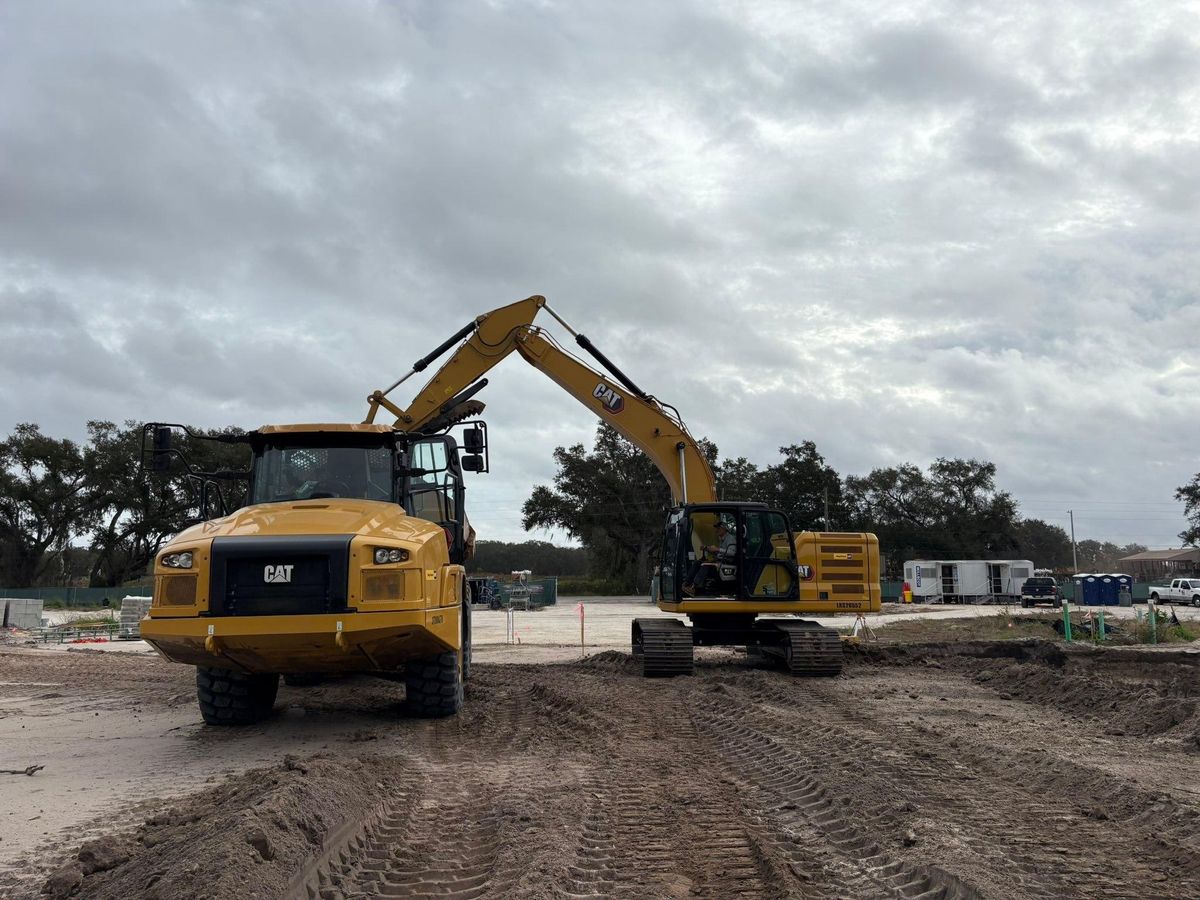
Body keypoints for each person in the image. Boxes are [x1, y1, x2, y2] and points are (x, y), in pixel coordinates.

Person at [683, 519, 737, 596]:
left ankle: (694, 587)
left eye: (718, 528)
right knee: (698, 563)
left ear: (724, 529)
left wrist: (717, 549)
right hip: (719, 561)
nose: (717, 530)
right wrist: (708, 549)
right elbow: (720, 553)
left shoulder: (730, 538)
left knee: (705, 566)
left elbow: (733, 552)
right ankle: (686, 583)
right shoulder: (722, 539)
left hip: (726, 563)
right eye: (717, 528)